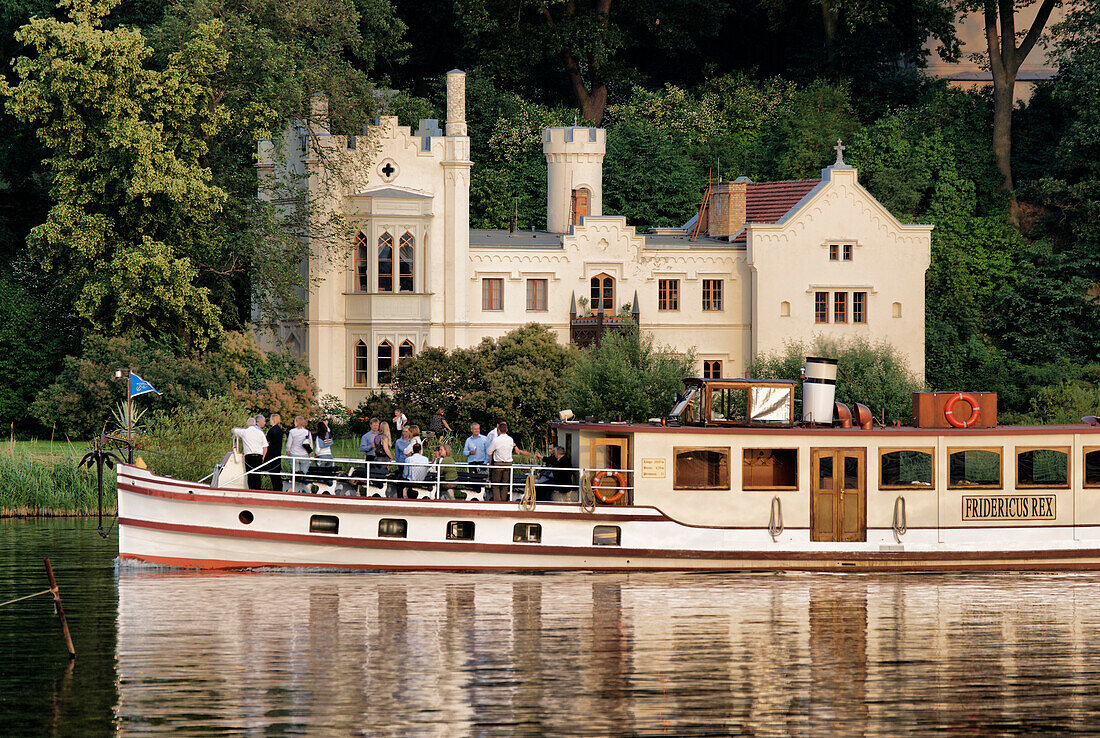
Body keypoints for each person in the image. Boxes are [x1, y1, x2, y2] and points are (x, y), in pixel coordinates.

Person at [487, 422, 527, 502]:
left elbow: (489, 452)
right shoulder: (510, 439)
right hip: (508, 464)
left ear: (498, 430)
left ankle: (497, 502)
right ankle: (503, 501)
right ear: (507, 430)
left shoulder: (496, 440)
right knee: (505, 485)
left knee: (495, 485)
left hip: (498, 464)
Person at [231, 417, 268, 490]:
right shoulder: (260, 433)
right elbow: (265, 446)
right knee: (257, 475)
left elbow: (233, 430)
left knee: (250, 475)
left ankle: (251, 490)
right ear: (255, 424)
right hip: (258, 456)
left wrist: (240, 428)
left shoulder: (244, 432)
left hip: (249, 456)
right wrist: (263, 457)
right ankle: (258, 490)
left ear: (247, 424)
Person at [286, 415, 312, 488]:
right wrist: (309, 453)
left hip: (294, 454)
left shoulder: (292, 432)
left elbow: (289, 444)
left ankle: (296, 489)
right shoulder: (307, 432)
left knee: (295, 474)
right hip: (304, 455)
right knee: (304, 474)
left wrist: (288, 451)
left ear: (296, 422)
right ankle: (304, 489)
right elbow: (311, 444)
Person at [264, 412, 285, 491]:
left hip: (271, 454)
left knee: (272, 473)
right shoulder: (279, 430)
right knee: (276, 474)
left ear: (273, 420)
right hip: (277, 453)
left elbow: (267, 442)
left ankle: (276, 489)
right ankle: (278, 489)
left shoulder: (272, 430)